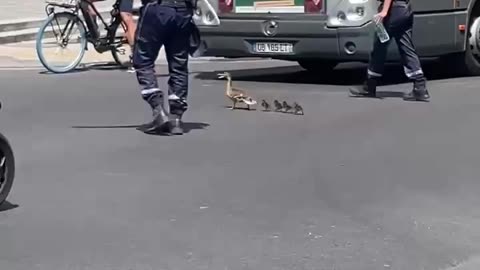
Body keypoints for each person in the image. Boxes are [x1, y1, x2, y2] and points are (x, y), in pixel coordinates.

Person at [133, 0, 196, 135]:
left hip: (157, 9)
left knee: (143, 60)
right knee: (179, 64)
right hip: (183, 11)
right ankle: (176, 118)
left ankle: (158, 110)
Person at [349, 0, 430, 102]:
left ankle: (370, 85)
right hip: (405, 10)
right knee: (406, 48)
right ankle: (420, 87)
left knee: (379, 48)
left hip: (393, 11)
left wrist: (384, 11)